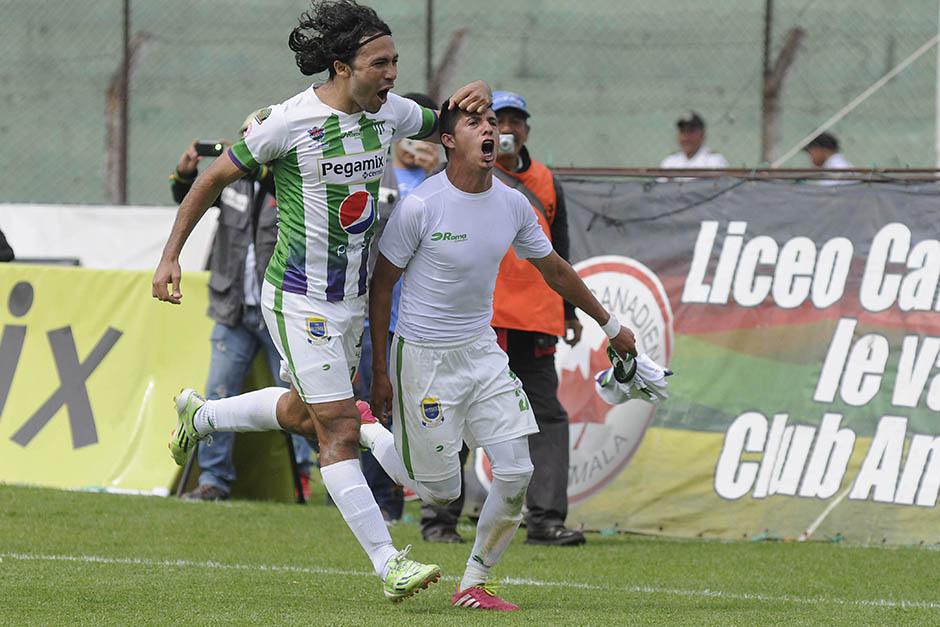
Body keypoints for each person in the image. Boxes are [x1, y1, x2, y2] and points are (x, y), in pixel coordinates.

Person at [151, 0, 490, 603]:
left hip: (352, 302)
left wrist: (466, 102)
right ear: (341, 66)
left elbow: (440, 120)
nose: (391, 73)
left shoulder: (390, 114)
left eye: (395, 62)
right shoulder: (286, 123)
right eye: (379, 63)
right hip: (296, 297)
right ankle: (388, 562)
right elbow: (209, 181)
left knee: (307, 413)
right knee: (337, 424)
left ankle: (201, 417)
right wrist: (171, 254)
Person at [362, 101, 637, 611]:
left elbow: (554, 269)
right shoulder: (421, 205)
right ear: (447, 141)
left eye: (492, 123)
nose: (490, 129)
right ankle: (366, 430)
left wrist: (610, 324)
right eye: (475, 122)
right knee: (439, 492)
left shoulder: (512, 204)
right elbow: (382, 287)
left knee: (516, 470)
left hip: (482, 353)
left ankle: (475, 582)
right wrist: (380, 371)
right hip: (421, 357)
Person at [169, 116, 314, 502]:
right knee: (217, 392)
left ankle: (305, 477)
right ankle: (214, 481)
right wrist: (184, 174)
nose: (249, 147)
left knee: (301, 395)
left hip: (278, 310)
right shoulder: (231, 180)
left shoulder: (290, 179)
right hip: (232, 308)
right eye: (247, 139)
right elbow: (187, 199)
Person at [490, 90, 584, 546]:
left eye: (516, 121)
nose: (508, 129)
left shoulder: (547, 180)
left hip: (537, 319)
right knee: (465, 409)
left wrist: (570, 311)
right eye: (498, 120)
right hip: (484, 319)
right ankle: (439, 518)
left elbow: (561, 248)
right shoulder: (469, 174)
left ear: (527, 128)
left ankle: (545, 520)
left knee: (546, 416)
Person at [358, 91, 441, 524]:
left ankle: (435, 503)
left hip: (430, 323)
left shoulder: (446, 183)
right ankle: (383, 503)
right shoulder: (378, 177)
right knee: (378, 410)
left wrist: (437, 177)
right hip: (385, 320)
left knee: (429, 415)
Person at [659, 111, 728, 169]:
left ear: (702, 135)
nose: (686, 137)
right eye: (682, 131)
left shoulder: (714, 160)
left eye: (691, 131)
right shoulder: (670, 161)